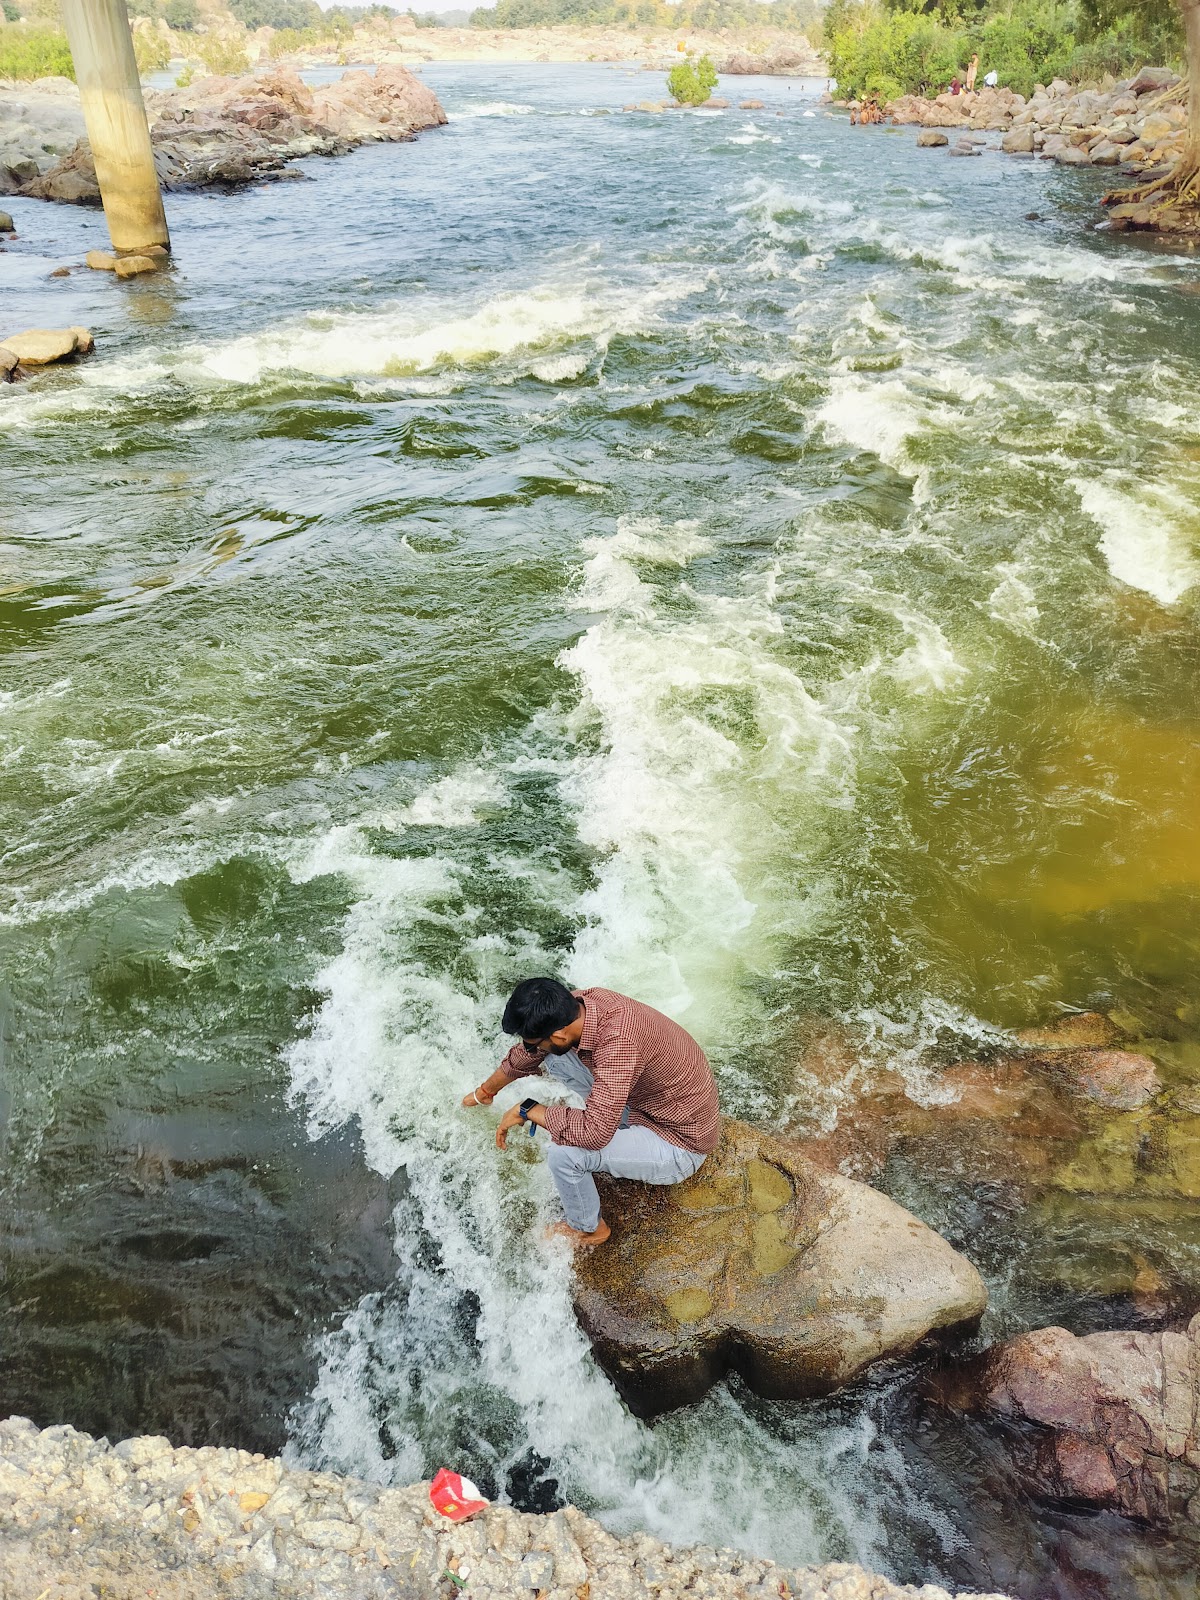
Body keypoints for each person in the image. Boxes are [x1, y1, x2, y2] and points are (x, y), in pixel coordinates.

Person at [463, 978, 720, 1249]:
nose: (529, 1049)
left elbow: (593, 1133)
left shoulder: (618, 1042)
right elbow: (528, 1054)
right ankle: (609, 1119)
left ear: (559, 1036)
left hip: (678, 1141)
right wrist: (485, 1092)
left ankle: (589, 1229)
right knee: (554, 1058)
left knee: (565, 1154)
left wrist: (528, 1110)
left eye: (531, 1043)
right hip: (648, 1104)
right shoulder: (581, 1005)